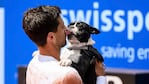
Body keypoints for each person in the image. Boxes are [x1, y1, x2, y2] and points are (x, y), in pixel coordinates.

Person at [22, 5, 106, 84]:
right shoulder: (68, 75)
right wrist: (101, 77)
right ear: (51, 37)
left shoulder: (33, 64)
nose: (67, 30)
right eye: (62, 27)